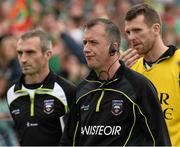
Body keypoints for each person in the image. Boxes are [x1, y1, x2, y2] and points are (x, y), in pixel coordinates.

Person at [60, 18, 171, 146]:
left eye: (93, 42)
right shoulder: (81, 90)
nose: (86, 49)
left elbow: (160, 141)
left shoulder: (139, 86)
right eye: (84, 43)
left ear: (114, 47)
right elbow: (68, 142)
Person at [121, 3, 180, 146]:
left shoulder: (178, 62)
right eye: (128, 32)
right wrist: (118, 79)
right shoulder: (130, 68)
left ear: (156, 29)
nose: (131, 37)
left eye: (137, 30)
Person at [6, 29, 76, 146]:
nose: (23, 59)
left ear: (47, 54)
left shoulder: (67, 90)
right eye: (20, 53)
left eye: (30, 52)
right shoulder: (11, 91)